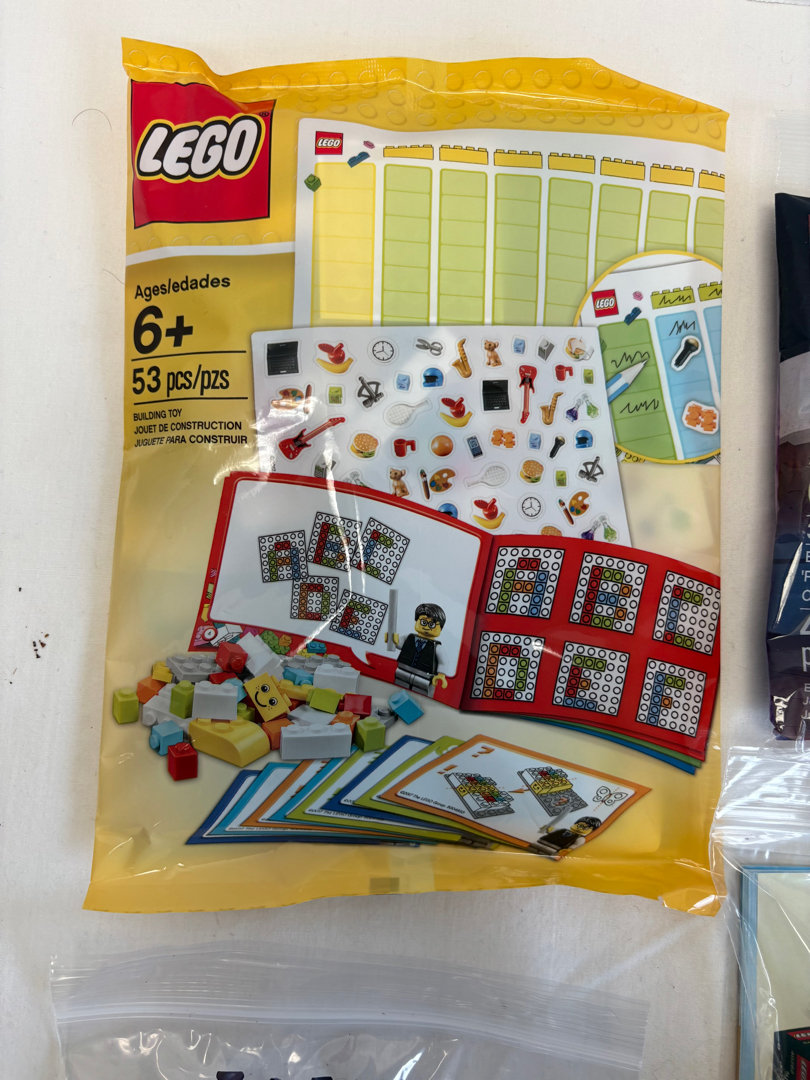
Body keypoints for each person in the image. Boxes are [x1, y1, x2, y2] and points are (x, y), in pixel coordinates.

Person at [394, 603, 447, 697]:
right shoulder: (409, 637)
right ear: (417, 621)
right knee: (398, 688)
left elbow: (443, 662)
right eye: (423, 622)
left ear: (441, 628)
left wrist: (441, 675)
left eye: (432, 624)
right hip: (403, 670)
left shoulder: (437, 647)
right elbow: (399, 644)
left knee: (420, 694)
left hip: (424, 677)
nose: (426, 627)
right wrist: (392, 638)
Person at [537, 816, 601, 853]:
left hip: (555, 849)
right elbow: (553, 831)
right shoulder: (563, 830)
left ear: (592, 831)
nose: (580, 828)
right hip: (541, 842)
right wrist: (548, 828)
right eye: (579, 825)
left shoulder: (580, 838)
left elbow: (575, 845)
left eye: (586, 828)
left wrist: (568, 850)